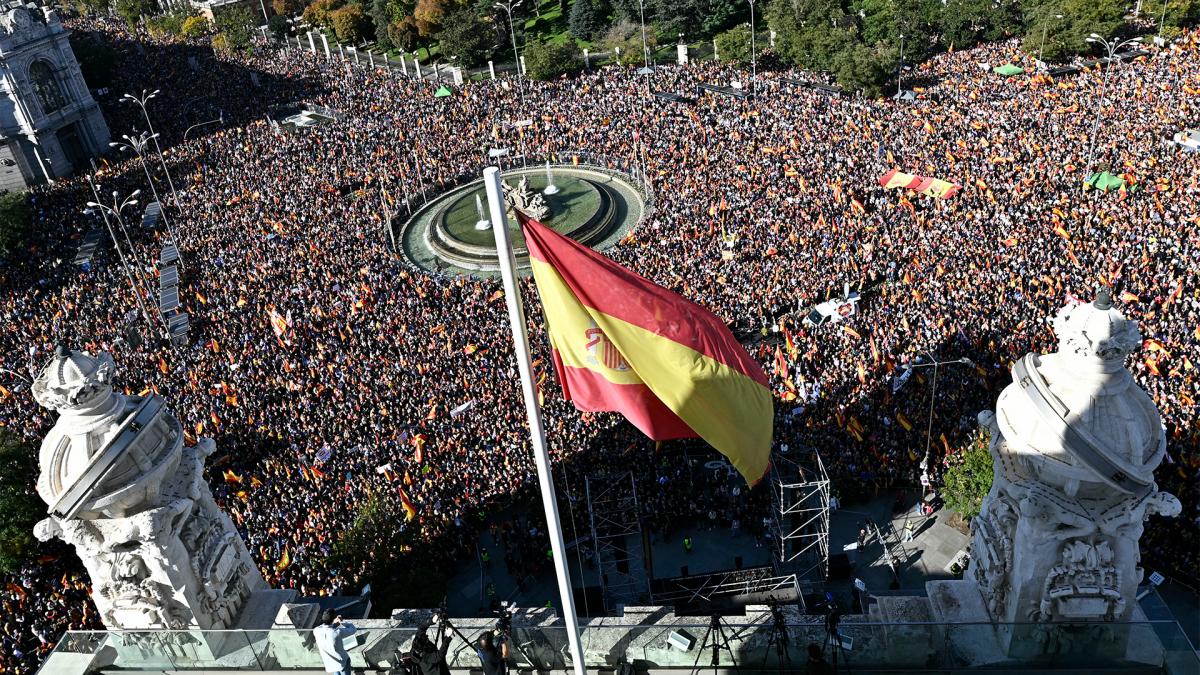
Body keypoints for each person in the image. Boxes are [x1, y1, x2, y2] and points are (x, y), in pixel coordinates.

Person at [314, 609, 357, 675]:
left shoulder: (316, 631)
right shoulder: (337, 632)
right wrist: (341, 622)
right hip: (342, 662)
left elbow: (326, 629)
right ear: (333, 619)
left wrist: (335, 623)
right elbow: (353, 629)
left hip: (331, 664)